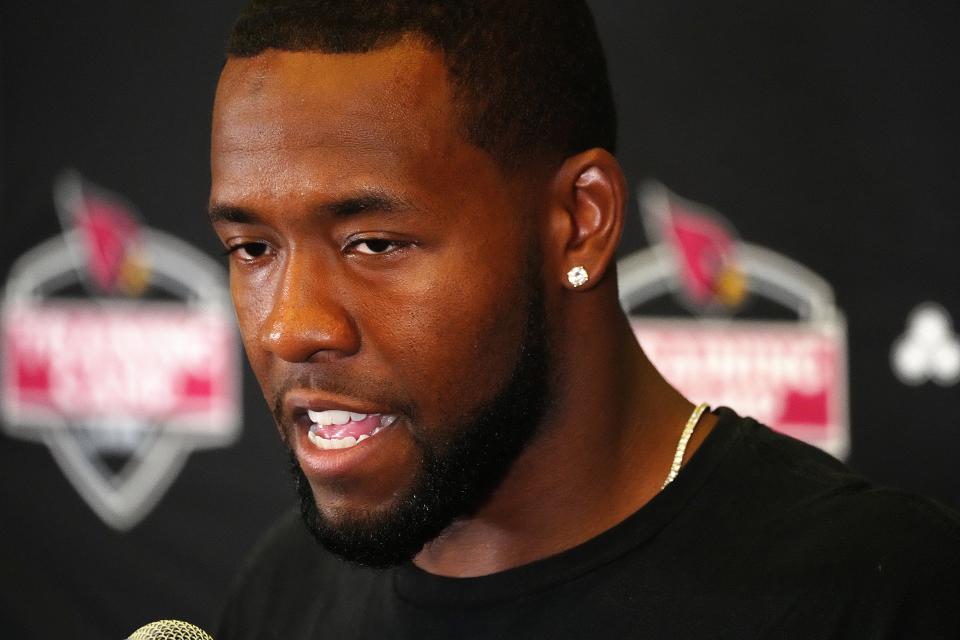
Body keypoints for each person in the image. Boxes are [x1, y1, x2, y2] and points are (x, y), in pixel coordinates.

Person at [208, 1, 960, 637]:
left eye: (374, 242)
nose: (289, 327)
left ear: (580, 220)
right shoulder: (285, 596)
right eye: (251, 248)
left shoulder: (876, 597)